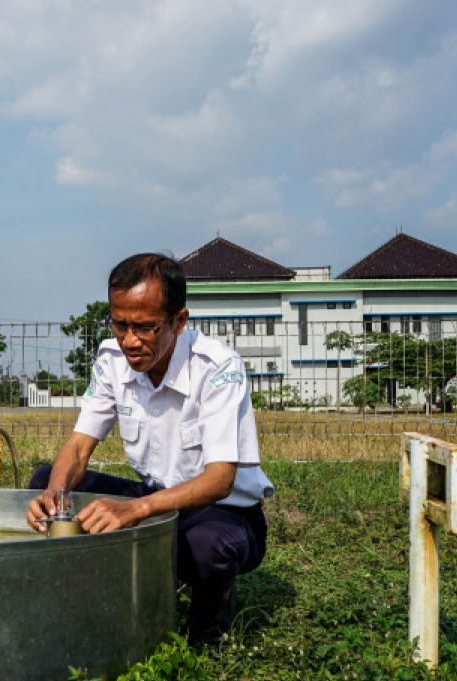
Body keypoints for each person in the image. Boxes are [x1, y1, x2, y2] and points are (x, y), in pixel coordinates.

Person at [26, 253, 274, 644]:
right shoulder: (112, 361)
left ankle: (208, 620)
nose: (129, 341)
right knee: (45, 479)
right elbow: (78, 446)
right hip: (154, 498)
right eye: (119, 324)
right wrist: (55, 495)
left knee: (210, 547)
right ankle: (98, 592)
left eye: (145, 328)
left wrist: (135, 510)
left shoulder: (218, 367)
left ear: (180, 320)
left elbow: (220, 480)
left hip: (220, 512)